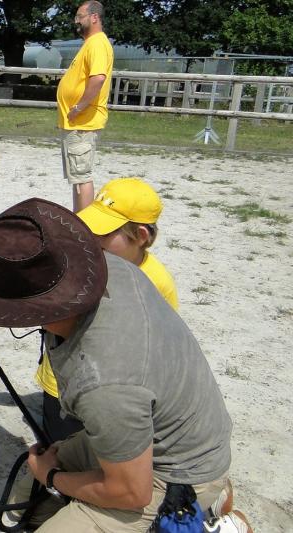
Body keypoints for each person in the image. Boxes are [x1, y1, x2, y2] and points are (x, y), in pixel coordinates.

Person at [0, 197, 235, 532]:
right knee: (23, 499)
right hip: (151, 433)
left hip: (173, 475)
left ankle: (210, 512)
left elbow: (131, 492)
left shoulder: (102, 379)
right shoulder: (112, 267)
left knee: (44, 485)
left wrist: (52, 476)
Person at [35, 177, 178, 443]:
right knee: (63, 449)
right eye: (92, 226)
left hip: (113, 389)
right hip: (61, 383)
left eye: (105, 231)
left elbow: (161, 348)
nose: (93, 237)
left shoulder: (157, 283)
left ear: (141, 237)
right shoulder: (82, 262)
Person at [56, 1, 113, 212]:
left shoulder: (97, 43)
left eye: (80, 16)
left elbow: (97, 79)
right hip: (77, 124)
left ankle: (86, 228)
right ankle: (79, 220)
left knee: (82, 178)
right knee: (77, 177)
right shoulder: (90, 44)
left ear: (94, 17)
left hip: (83, 122)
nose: (76, 20)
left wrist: (79, 107)